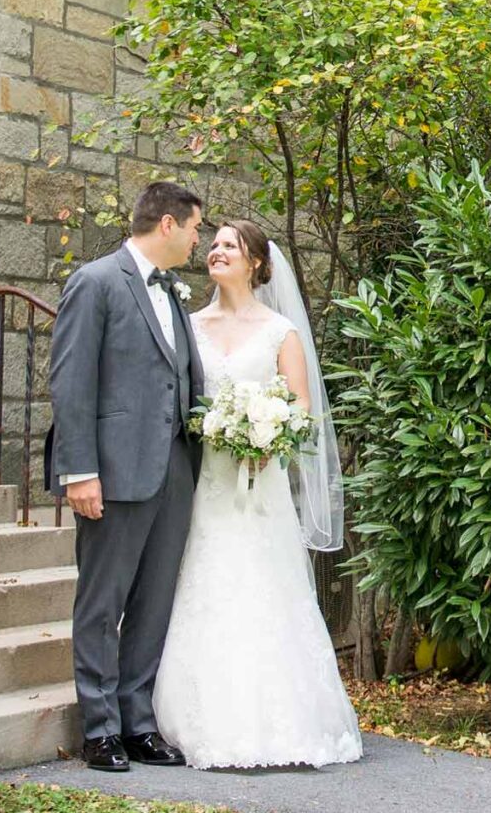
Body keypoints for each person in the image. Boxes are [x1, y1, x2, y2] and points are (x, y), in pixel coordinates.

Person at [151, 215, 362, 768]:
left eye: (230, 246)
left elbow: (300, 407)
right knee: (206, 582)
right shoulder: (188, 326)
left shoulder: (278, 331)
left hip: (259, 487)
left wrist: (268, 433)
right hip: (207, 484)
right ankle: (193, 718)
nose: (216, 251)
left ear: (257, 264)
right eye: (214, 244)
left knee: (264, 589)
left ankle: (281, 722)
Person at [44, 181, 207, 772]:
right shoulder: (95, 282)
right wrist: (79, 471)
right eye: (194, 227)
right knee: (102, 599)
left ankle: (138, 722)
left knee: (154, 601)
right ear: (167, 224)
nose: (198, 239)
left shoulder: (176, 295)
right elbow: (71, 382)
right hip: (111, 473)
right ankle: (101, 728)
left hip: (173, 471)